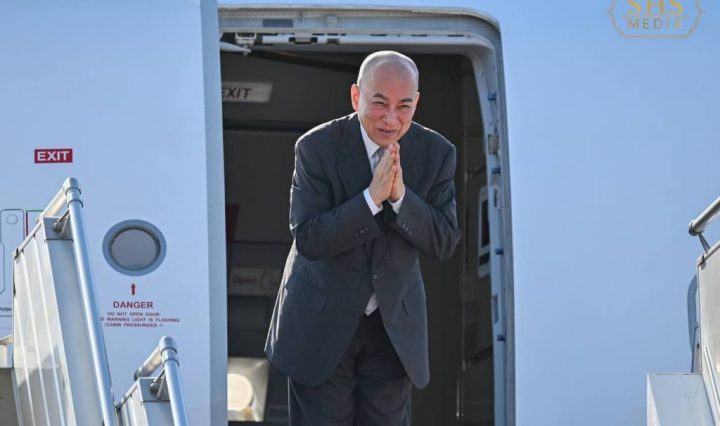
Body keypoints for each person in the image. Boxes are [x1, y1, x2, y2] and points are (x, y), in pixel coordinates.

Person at [265, 50, 462, 425]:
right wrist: (371, 199)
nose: (391, 118)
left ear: (417, 103)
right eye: (380, 103)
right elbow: (309, 237)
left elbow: (444, 241)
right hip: (321, 322)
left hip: (391, 328)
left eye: (404, 106)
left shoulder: (437, 153)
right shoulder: (316, 148)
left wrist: (401, 198)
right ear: (356, 96)